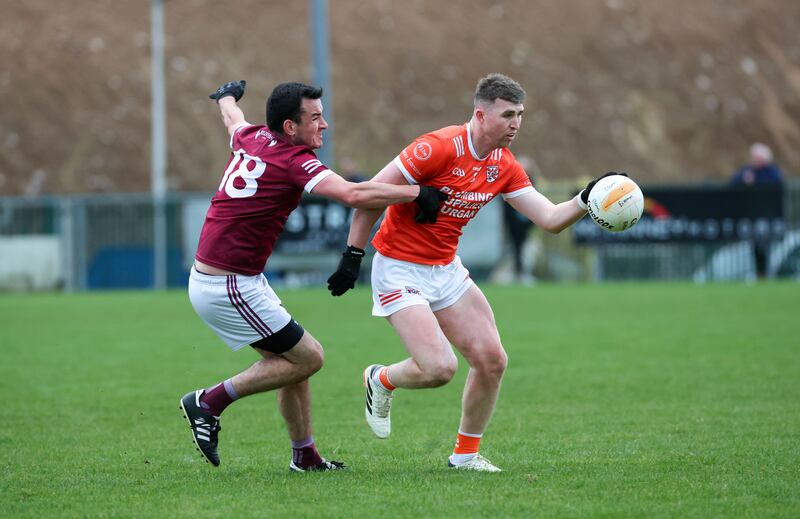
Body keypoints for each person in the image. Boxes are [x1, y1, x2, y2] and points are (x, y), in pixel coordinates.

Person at [326, 73, 621, 472]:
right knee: (439, 368)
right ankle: (381, 379)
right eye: (507, 115)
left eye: (520, 115)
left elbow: (549, 218)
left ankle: (464, 455)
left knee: (492, 360)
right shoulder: (436, 147)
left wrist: (587, 198)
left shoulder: (504, 165)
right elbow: (369, 196)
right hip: (398, 267)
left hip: (446, 269)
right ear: (480, 115)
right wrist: (353, 254)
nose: (516, 123)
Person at [180, 80, 447, 472]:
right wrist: (415, 193)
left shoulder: (252, 136)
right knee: (309, 358)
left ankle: (304, 456)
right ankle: (209, 401)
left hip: (235, 280)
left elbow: (232, 120)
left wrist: (225, 97)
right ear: (290, 127)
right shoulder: (293, 160)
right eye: (316, 117)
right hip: (228, 286)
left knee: (290, 362)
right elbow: (353, 195)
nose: (325, 125)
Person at [729, 142, 785, 278]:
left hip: (768, 216)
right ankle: (760, 274)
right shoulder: (748, 171)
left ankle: (766, 273)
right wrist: (744, 180)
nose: (754, 160)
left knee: (766, 246)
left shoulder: (771, 171)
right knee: (755, 246)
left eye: (757, 157)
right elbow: (733, 181)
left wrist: (757, 182)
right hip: (752, 215)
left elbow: (777, 184)